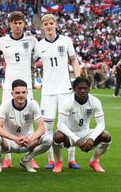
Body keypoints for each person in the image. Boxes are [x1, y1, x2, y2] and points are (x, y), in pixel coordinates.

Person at [34, 14, 80, 169]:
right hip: (48, 91)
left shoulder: (66, 41)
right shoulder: (39, 45)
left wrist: (78, 79)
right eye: (46, 24)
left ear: (56, 24)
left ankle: (72, 159)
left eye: (51, 23)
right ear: (42, 27)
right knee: (47, 127)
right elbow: (31, 64)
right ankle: (51, 160)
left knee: (68, 125)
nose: (49, 26)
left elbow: (73, 60)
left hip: (65, 90)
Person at [0, 11, 39, 169]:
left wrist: (32, 66)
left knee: (31, 117)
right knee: (6, 119)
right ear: (10, 24)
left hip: (27, 85)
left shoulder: (32, 40)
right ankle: (7, 157)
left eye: (20, 22)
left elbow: (37, 58)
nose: (18, 25)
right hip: (8, 86)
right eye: (15, 22)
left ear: (24, 24)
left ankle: (30, 156)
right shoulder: (2, 41)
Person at [0, 79, 52, 173]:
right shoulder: (6, 104)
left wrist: (30, 139)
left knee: (48, 139)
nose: (20, 95)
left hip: (28, 141)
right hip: (8, 142)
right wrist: (15, 138)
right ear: (12, 93)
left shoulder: (33, 104)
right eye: (17, 93)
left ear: (27, 93)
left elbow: (41, 128)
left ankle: (26, 160)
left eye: (23, 92)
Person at [52, 76, 111, 172]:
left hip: (85, 133)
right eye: (80, 88)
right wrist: (76, 139)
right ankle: (59, 162)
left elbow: (101, 124)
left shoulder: (95, 101)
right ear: (74, 89)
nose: (83, 90)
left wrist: (92, 138)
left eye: (85, 88)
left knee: (106, 136)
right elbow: (60, 125)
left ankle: (94, 161)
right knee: (57, 136)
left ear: (89, 89)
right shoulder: (67, 102)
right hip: (69, 135)